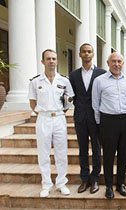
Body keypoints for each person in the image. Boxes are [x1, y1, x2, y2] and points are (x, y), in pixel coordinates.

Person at [28, 49, 74, 197]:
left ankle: (61, 183)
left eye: (54, 59)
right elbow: (32, 102)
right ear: (43, 61)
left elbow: (69, 100)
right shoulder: (35, 81)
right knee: (44, 153)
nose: (51, 61)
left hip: (59, 118)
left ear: (57, 61)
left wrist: (59, 112)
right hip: (43, 119)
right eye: (48, 59)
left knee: (61, 152)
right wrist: (43, 113)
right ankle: (46, 184)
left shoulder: (64, 81)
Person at [92, 52, 126, 199]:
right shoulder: (99, 81)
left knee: (123, 154)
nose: (117, 64)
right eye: (113, 61)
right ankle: (109, 186)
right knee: (108, 156)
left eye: (119, 62)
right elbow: (95, 104)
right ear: (108, 63)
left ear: (123, 64)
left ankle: (120, 184)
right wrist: (99, 123)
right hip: (108, 121)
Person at [69, 43, 106, 194]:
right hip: (80, 117)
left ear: (93, 54)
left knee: (97, 149)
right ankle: (85, 179)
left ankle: (95, 179)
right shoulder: (73, 75)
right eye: (83, 52)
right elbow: (71, 96)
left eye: (89, 51)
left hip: (96, 117)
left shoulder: (102, 73)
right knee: (82, 149)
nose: (86, 54)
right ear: (79, 54)